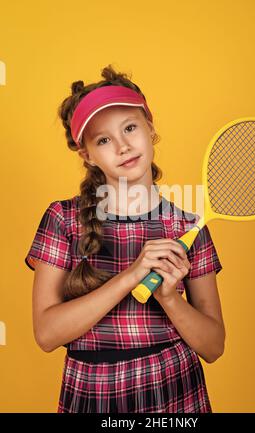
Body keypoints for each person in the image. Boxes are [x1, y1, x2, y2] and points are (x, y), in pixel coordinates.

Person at [24, 64, 225, 413]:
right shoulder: (63, 219)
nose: (122, 146)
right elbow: (46, 334)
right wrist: (132, 275)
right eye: (103, 140)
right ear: (86, 154)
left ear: (150, 127)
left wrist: (169, 298)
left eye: (130, 127)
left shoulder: (189, 226)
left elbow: (214, 346)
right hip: (93, 394)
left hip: (175, 392)